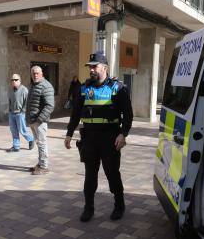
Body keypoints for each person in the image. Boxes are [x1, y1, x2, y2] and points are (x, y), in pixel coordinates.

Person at [65, 51, 133, 222]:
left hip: (110, 138)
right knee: (90, 175)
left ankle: (119, 205)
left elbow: (128, 114)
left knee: (112, 173)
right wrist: (69, 133)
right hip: (89, 138)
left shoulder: (118, 88)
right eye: (90, 67)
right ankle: (88, 208)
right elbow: (75, 113)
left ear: (105, 68)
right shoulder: (84, 89)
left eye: (95, 67)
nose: (91, 70)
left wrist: (123, 134)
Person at [26, 65, 55, 174]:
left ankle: (44, 167)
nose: (35, 75)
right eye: (33, 73)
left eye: (37, 73)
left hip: (40, 122)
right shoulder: (33, 85)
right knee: (39, 143)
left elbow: (50, 106)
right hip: (33, 121)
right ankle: (40, 164)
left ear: (42, 74)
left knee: (42, 143)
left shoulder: (46, 86)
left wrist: (39, 120)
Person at [7, 74, 34, 152]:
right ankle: (16, 146)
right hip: (12, 113)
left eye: (16, 80)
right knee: (13, 130)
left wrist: (23, 111)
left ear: (20, 81)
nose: (14, 81)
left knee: (22, 130)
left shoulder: (24, 90)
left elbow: (27, 101)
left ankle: (31, 139)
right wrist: (10, 110)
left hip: (20, 113)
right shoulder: (10, 90)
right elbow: (10, 101)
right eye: (12, 80)